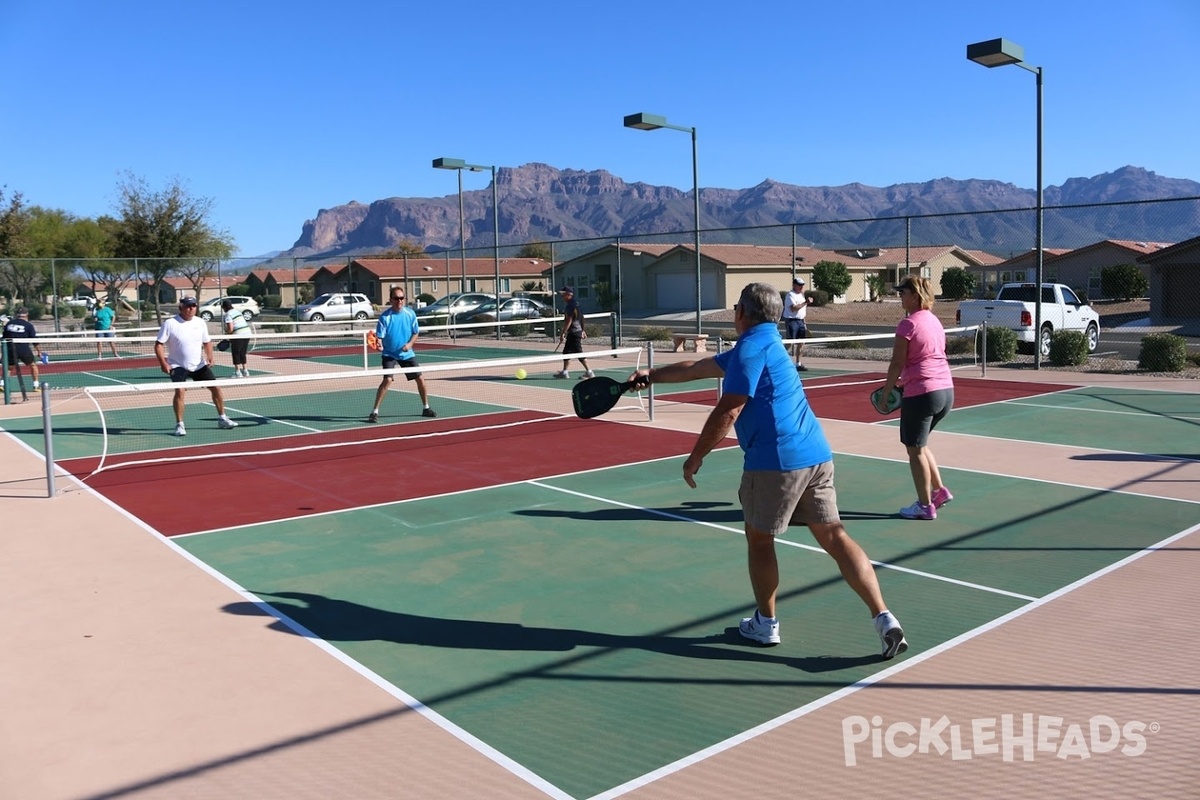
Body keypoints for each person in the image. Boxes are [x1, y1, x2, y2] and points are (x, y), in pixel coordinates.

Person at [628, 282, 908, 659]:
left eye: (735, 307)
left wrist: (695, 457)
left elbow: (729, 409)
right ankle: (884, 618)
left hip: (774, 462)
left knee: (760, 540)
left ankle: (765, 624)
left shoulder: (748, 349)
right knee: (836, 538)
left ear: (742, 312)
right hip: (816, 456)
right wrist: (652, 375)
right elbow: (698, 366)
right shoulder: (767, 343)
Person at [877, 275, 955, 521]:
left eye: (903, 292)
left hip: (923, 393)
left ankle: (924, 506)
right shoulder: (934, 321)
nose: (900, 295)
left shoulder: (907, 324)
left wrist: (887, 392)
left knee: (914, 451)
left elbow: (897, 362)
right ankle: (939, 491)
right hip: (946, 392)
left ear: (915, 295)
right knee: (920, 446)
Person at [153, 296, 238, 436]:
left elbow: (207, 342)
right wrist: (163, 363)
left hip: (199, 365)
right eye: (187, 306)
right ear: (181, 307)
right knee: (180, 392)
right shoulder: (170, 323)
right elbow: (159, 345)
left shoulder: (200, 322)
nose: (191, 308)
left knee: (216, 388)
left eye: (193, 306)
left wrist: (210, 356)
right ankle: (179, 425)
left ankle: (222, 418)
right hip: (177, 365)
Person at [368, 286, 436, 422]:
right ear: (391, 300)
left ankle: (426, 407)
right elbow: (379, 337)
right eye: (396, 298)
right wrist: (380, 344)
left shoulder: (410, 314)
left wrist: (410, 344)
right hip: (389, 353)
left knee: (420, 379)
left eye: (401, 298)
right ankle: (374, 412)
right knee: (387, 380)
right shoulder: (385, 317)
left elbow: (415, 332)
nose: (399, 301)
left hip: (407, 353)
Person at [554, 285, 594, 379]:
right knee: (566, 352)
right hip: (575, 332)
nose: (562, 297)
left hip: (574, 333)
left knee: (579, 353)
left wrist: (563, 333)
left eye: (563, 295)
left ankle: (589, 372)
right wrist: (583, 330)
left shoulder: (570, 306)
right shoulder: (577, 304)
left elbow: (569, 320)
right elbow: (582, 318)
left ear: (569, 295)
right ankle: (564, 372)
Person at [3, 307, 43, 392]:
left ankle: (2, 384)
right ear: (27, 315)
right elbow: (34, 340)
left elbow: (4, 338)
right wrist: (39, 352)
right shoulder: (28, 325)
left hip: (10, 349)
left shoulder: (9, 323)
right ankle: (36, 386)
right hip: (23, 349)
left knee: (9, 368)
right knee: (33, 365)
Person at [782, 277, 811, 371]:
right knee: (789, 343)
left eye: (802, 285)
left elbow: (802, 310)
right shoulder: (790, 295)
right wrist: (806, 302)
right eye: (799, 285)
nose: (801, 287)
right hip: (791, 321)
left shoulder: (801, 295)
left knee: (801, 342)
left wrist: (804, 321)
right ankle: (780, 361)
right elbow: (793, 308)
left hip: (800, 321)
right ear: (794, 285)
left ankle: (798, 364)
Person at [221, 299, 252, 378]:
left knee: (236, 353)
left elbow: (230, 328)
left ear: (224, 308)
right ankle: (245, 371)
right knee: (242, 352)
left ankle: (238, 372)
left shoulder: (228, 315)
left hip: (238, 335)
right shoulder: (237, 312)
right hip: (247, 333)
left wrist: (226, 334)